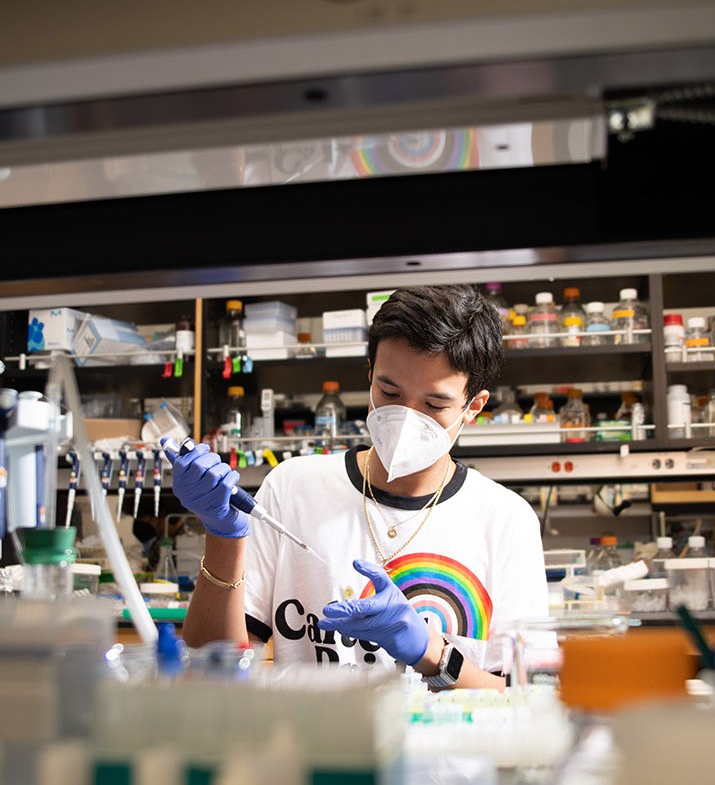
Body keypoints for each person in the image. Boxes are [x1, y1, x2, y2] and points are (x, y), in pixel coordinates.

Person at [177, 285, 547, 689]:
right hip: (313, 748)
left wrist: (430, 653)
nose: (406, 418)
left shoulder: (505, 519)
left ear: (472, 407)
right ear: (369, 374)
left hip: (445, 751)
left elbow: (528, 699)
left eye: (435, 405)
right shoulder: (293, 487)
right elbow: (213, 667)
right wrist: (222, 537)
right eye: (390, 392)